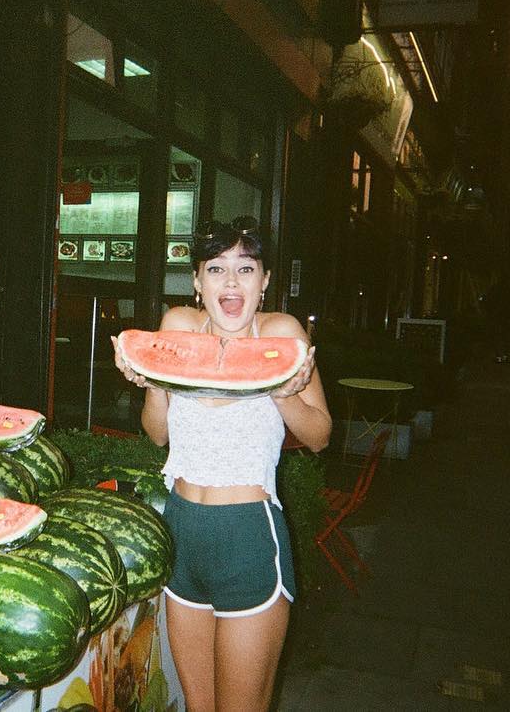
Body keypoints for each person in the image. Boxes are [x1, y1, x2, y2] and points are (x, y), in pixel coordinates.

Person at [112, 217, 331, 710]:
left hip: (248, 539)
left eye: (245, 268)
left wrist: (283, 393)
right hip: (181, 533)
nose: (231, 281)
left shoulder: (281, 333)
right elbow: (158, 433)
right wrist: (154, 385)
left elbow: (319, 436)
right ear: (197, 281)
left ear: (264, 281)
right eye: (216, 268)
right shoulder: (177, 327)